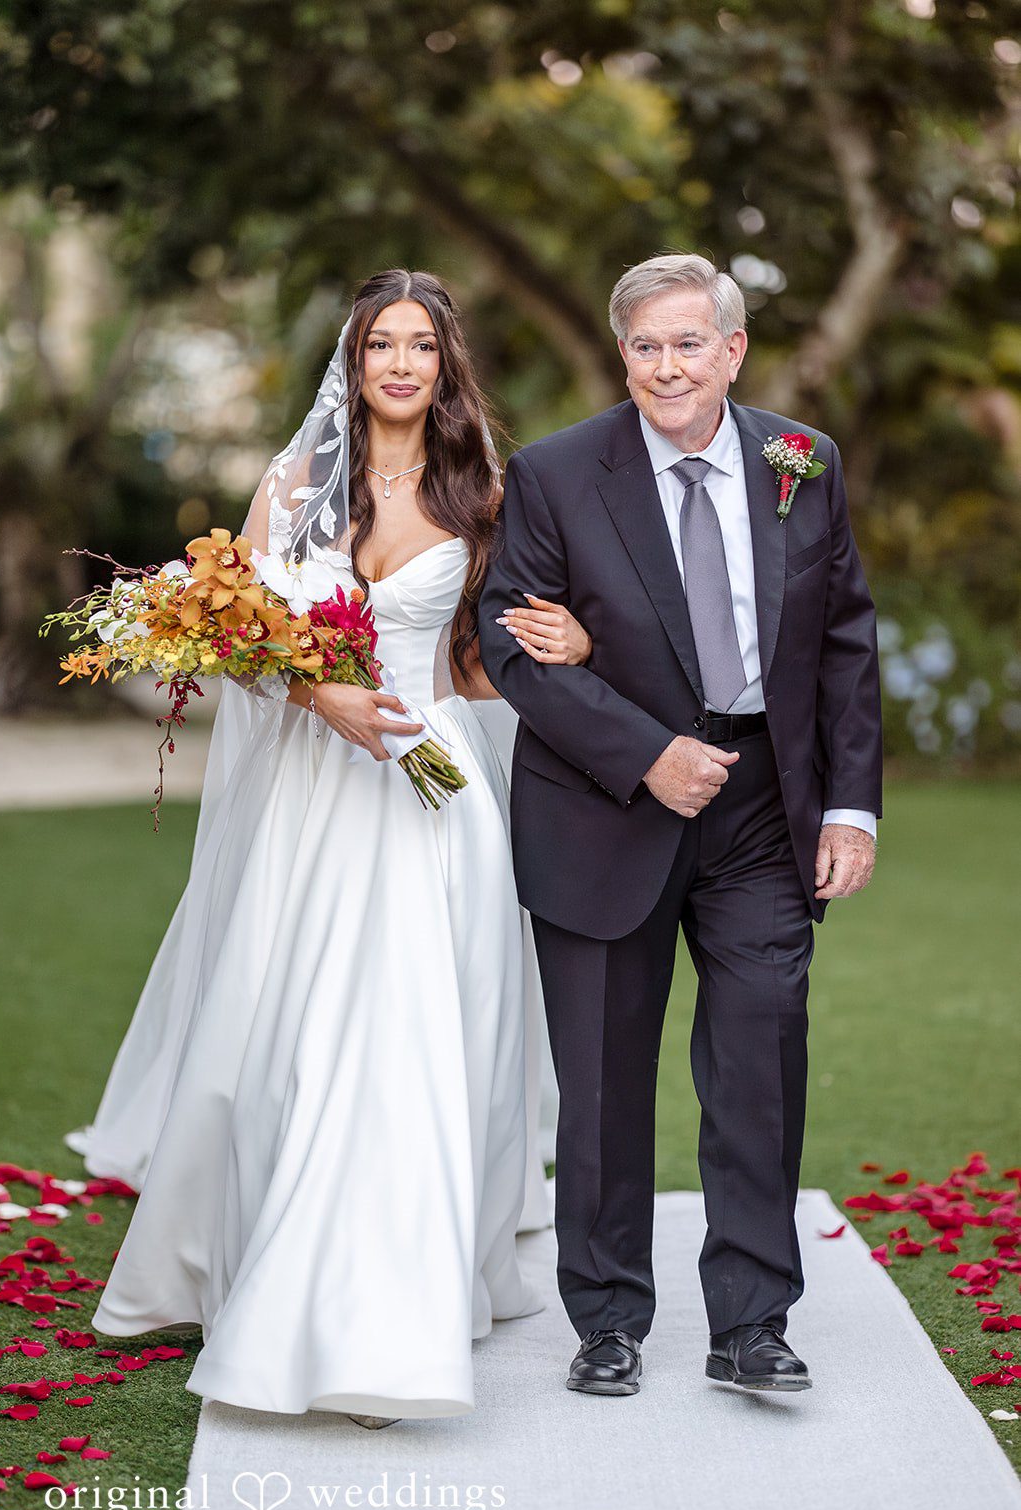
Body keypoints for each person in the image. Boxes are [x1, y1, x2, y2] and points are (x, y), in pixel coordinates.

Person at [66, 269, 590, 1426]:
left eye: (421, 346)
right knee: (289, 1025)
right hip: (314, 792)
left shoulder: (486, 493)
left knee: (410, 1035)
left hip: (433, 792)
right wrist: (323, 699)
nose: (400, 364)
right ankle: (266, 1265)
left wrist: (566, 636)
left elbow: (469, 663)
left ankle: (385, 1310)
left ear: (447, 365)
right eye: (378, 346)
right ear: (351, 363)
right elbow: (240, 635)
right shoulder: (294, 481)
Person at [478, 251, 882, 1399]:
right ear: (624, 354)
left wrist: (848, 804)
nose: (666, 364)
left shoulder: (801, 462)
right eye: (645, 345)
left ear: (732, 349)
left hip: (763, 804)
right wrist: (645, 753)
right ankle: (606, 1320)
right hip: (607, 804)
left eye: (688, 342)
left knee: (760, 1051)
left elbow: (844, 636)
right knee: (602, 1078)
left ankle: (752, 1320)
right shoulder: (556, 474)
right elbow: (510, 638)